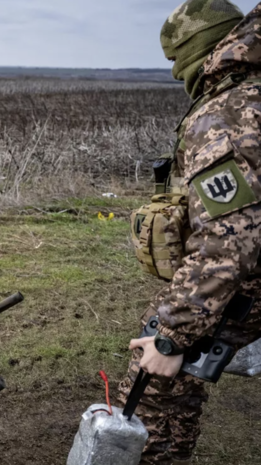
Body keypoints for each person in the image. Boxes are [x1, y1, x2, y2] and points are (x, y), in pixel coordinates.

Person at [118, 1, 261, 464]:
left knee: (151, 384)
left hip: (249, 277)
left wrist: (170, 336)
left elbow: (227, 243)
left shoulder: (225, 114)